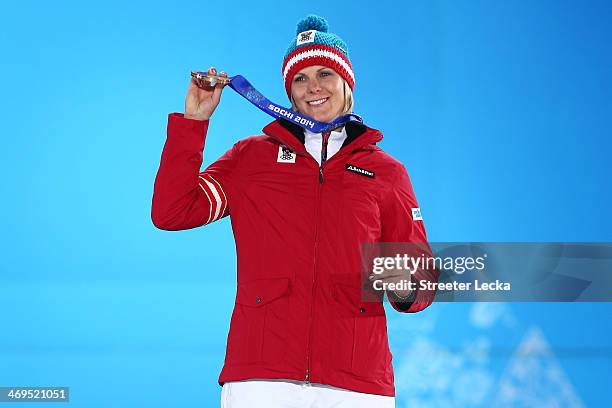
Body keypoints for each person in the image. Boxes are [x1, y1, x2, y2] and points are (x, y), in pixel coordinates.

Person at [152, 15, 439, 408]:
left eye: (325, 73)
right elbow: (173, 210)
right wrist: (194, 123)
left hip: (357, 383)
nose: (313, 87)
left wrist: (405, 285)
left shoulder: (386, 172)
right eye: (300, 78)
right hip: (260, 378)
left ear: (346, 82)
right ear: (288, 90)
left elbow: (421, 273)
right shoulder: (251, 158)